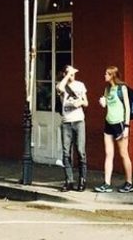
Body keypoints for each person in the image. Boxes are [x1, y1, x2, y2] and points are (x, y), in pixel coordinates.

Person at [93, 66, 133, 193]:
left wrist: (126, 127)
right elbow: (107, 105)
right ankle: (107, 183)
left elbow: (127, 108)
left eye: (107, 74)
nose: (104, 76)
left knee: (123, 153)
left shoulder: (122, 88)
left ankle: (129, 182)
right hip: (108, 123)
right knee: (109, 154)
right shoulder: (107, 89)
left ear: (112, 76)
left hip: (119, 124)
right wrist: (103, 103)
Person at [56, 64, 88, 192]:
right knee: (66, 152)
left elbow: (86, 102)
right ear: (65, 74)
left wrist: (80, 102)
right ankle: (69, 180)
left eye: (73, 73)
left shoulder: (80, 85)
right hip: (66, 122)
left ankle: (82, 179)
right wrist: (68, 74)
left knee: (80, 151)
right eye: (70, 73)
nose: (73, 75)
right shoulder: (61, 85)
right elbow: (59, 88)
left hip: (79, 120)